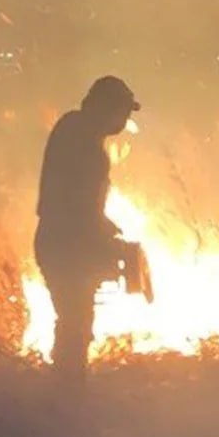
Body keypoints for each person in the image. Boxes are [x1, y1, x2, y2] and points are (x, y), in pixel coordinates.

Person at [34, 75, 141, 393]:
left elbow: (74, 201)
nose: (125, 121)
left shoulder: (74, 130)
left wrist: (103, 227)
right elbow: (75, 206)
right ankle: (66, 395)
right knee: (75, 326)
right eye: (122, 112)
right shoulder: (83, 142)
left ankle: (66, 390)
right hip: (65, 247)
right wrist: (104, 240)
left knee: (74, 323)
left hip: (60, 242)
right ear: (106, 108)